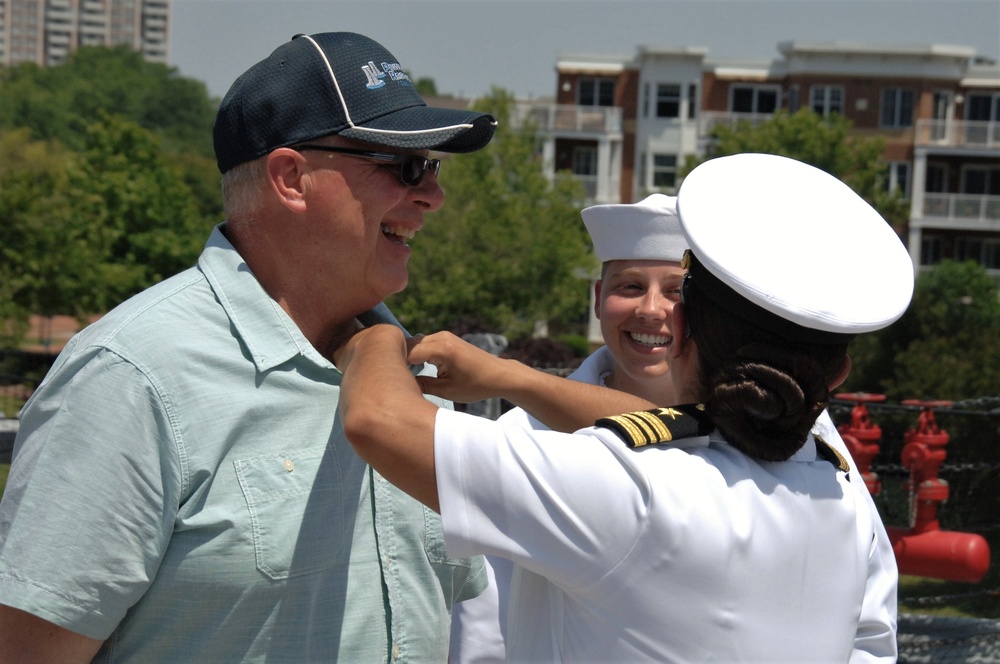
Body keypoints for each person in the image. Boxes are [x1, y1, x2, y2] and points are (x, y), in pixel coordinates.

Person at [0, 31, 498, 662]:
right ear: (291, 177)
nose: (433, 194)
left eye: (433, 167)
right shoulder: (131, 378)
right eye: (404, 166)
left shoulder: (415, 373)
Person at [335, 153, 913, 661]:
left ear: (686, 329)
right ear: (839, 371)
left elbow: (379, 421)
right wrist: (513, 379)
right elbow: (668, 434)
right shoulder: (836, 492)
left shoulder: (632, 487)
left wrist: (373, 334)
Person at [450, 193, 688, 662]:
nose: (651, 309)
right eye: (631, 286)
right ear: (598, 300)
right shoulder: (525, 436)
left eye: (678, 291)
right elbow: (485, 621)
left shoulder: (777, 432)